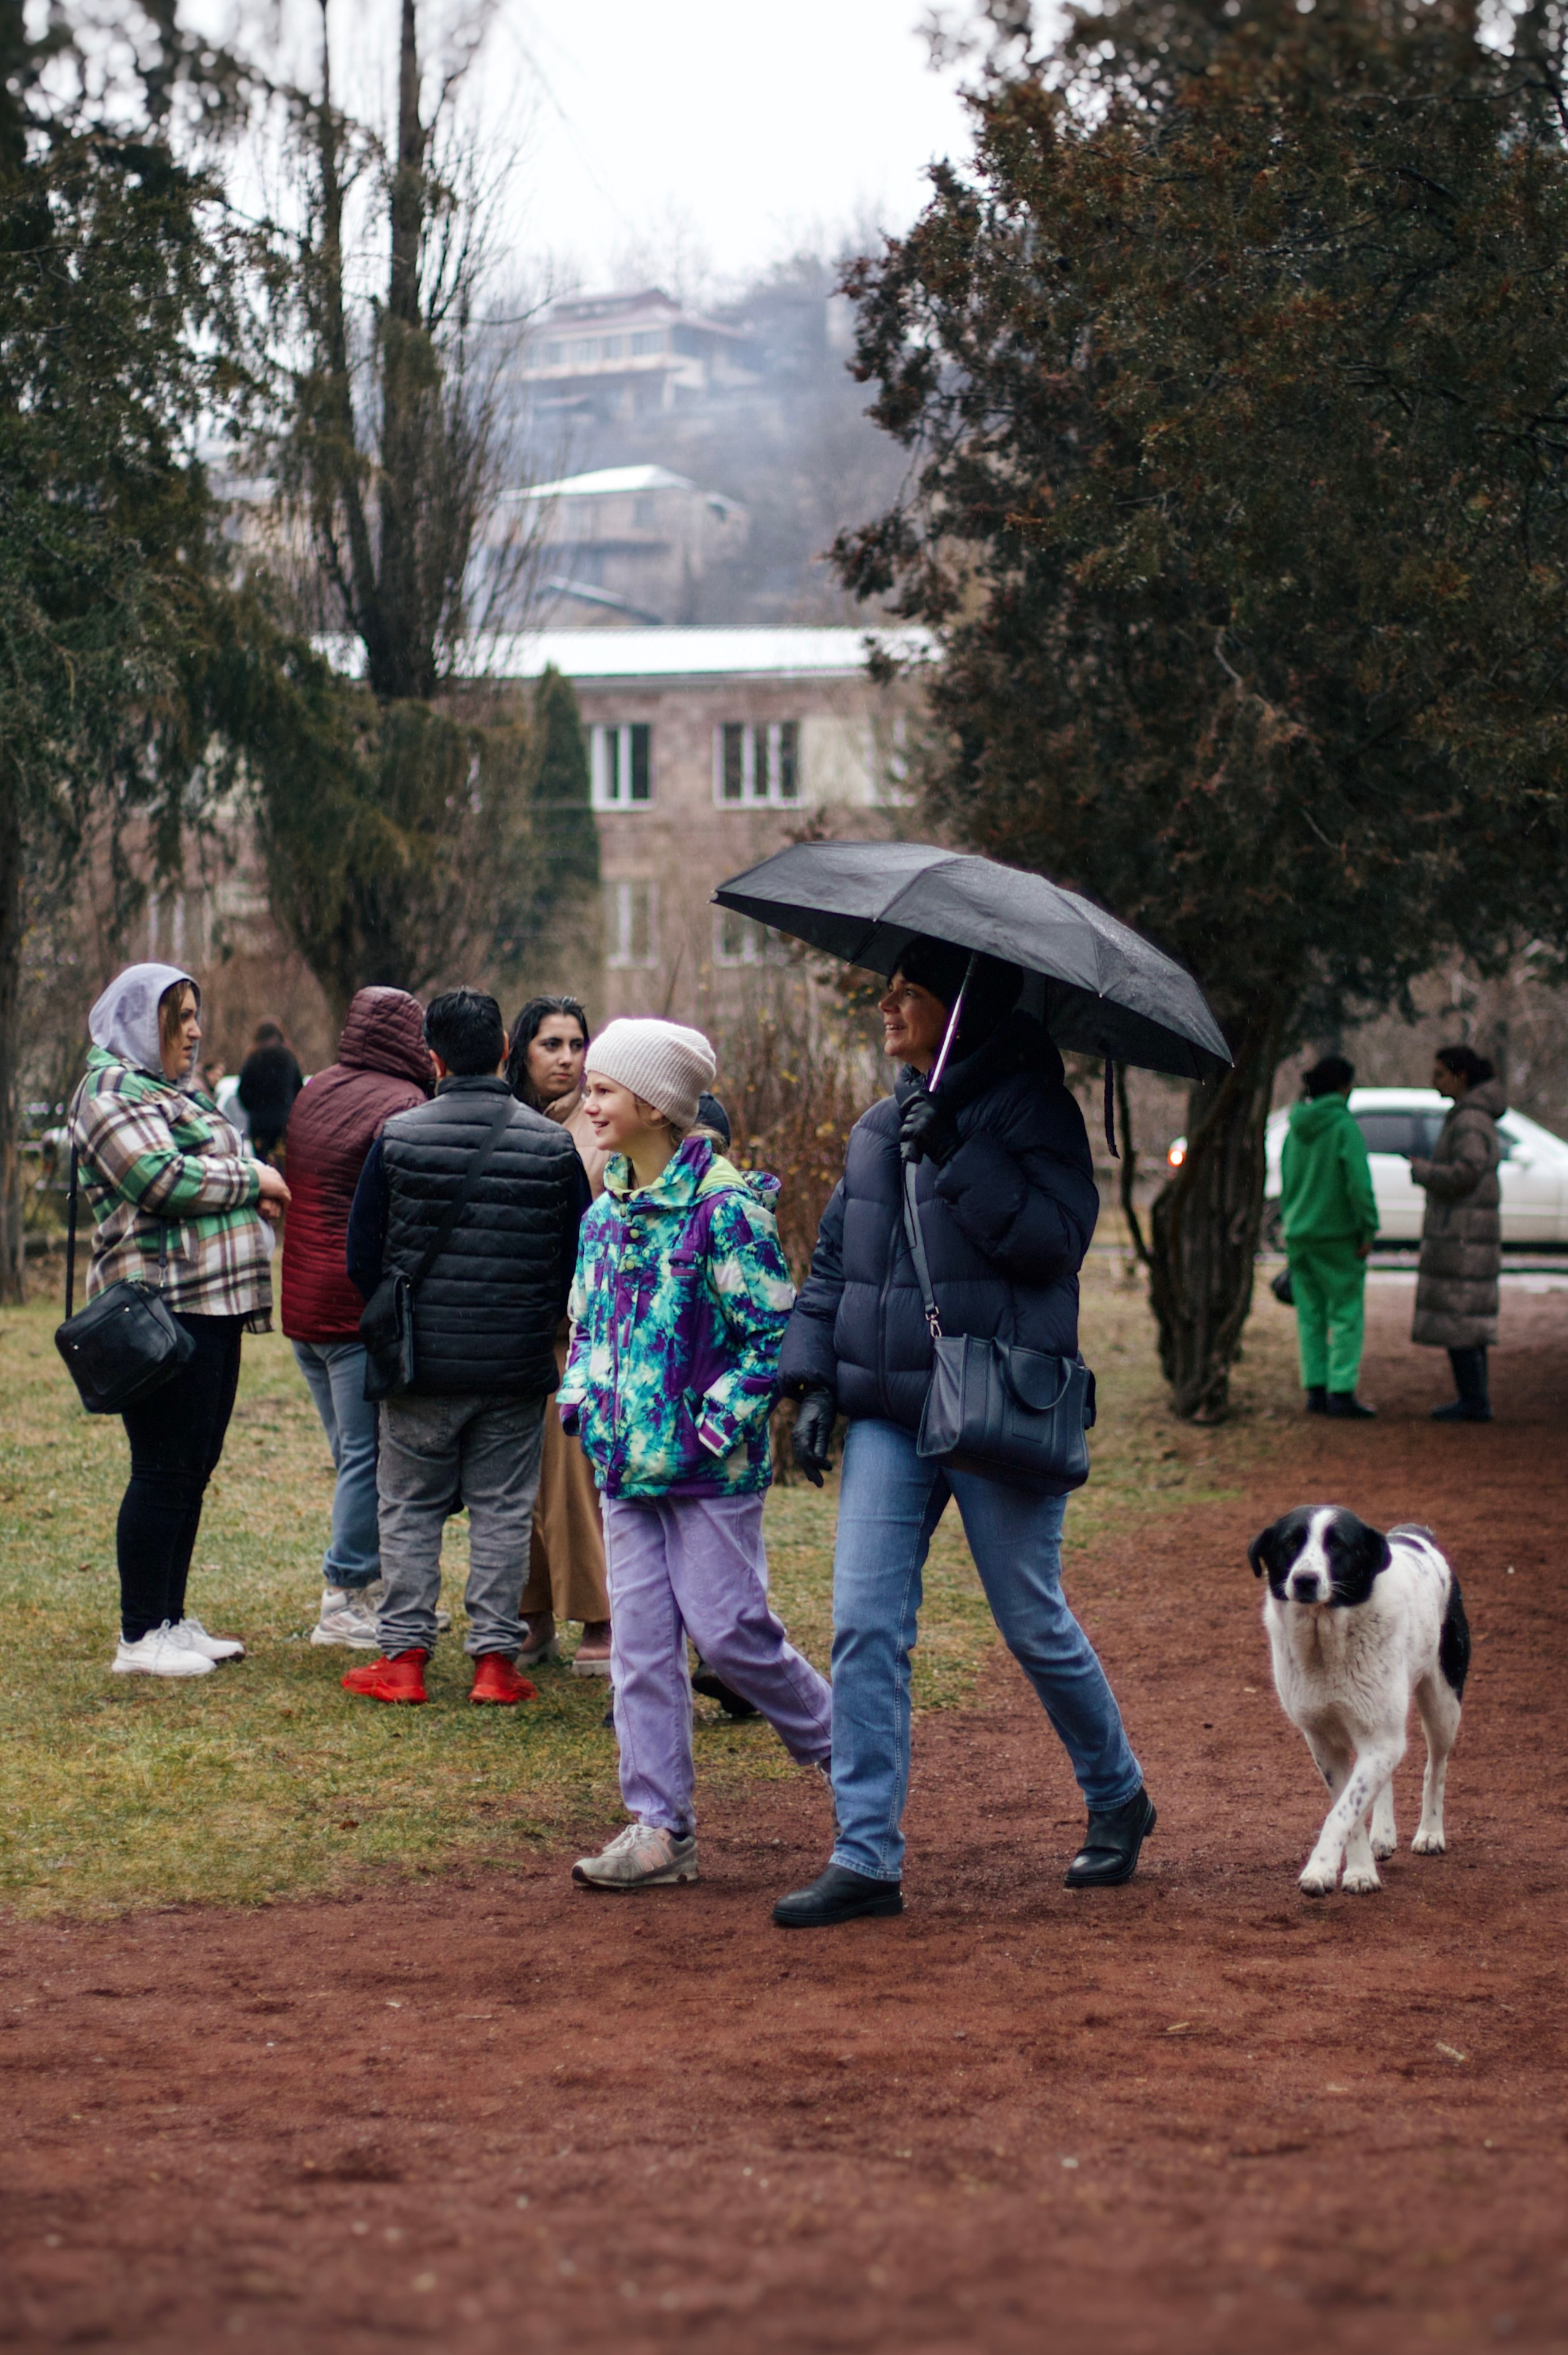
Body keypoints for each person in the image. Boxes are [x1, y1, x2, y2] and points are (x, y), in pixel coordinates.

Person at [774, 940, 1153, 1930]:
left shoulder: (1029, 1112)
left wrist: (960, 1156)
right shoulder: (879, 1124)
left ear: (964, 1008)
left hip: (994, 1400)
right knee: (863, 1627)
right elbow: (834, 1269)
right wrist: (810, 1381)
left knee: (1030, 1618)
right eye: (888, 988)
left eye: (910, 992)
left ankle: (1118, 1794)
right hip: (892, 1414)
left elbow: (1051, 1245)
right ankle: (865, 1855)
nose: (888, 1005)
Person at [559, 1019, 832, 1892]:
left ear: (655, 1104)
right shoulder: (604, 1212)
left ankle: (851, 1756)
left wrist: (709, 1428)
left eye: (602, 1088)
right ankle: (660, 1828)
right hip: (625, 1472)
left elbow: (771, 1340)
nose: (587, 1101)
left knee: (732, 1633)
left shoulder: (726, 1210)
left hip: (709, 1472)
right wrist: (584, 1403)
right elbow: (587, 1323)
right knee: (639, 1648)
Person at [342, 988, 587, 1705]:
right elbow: (576, 1255)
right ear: (507, 1052)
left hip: (419, 1362)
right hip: (514, 1362)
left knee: (409, 1505)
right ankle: (493, 1664)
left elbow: (362, 1254)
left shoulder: (398, 1136)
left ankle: (406, 1658)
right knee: (505, 1508)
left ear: (433, 1055)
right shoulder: (551, 1146)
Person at [70, 963, 290, 1677]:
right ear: (141, 1020)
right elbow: (158, 1178)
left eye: (196, 1014)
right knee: (163, 1467)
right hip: (163, 1306)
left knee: (193, 1468)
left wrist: (238, 1185)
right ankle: (139, 1636)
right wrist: (252, 1180)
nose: (195, 1029)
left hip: (214, 1300)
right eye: (180, 1015)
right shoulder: (108, 1091)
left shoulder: (168, 1091)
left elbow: (204, 1165)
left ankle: (169, 1617)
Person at [281, 986, 434, 1648]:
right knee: (368, 1459)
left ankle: (372, 1590)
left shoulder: (314, 1089)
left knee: (351, 1452)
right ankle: (343, 1597)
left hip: (303, 1307)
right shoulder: (403, 1104)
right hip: (353, 1312)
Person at [505, 995, 613, 1675]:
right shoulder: (508, 1119)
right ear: (522, 1051)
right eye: (552, 1043)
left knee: (573, 1480)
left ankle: (600, 1615)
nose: (568, 1058)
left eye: (577, 1044)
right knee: (515, 1483)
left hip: (576, 1331)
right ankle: (530, 1612)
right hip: (511, 1327)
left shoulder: (597, 1125)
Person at [1410, 1044, 1507, 1423]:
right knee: (1468, 1319)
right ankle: (1473, 1397)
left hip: (1462, 1236)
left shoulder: (1469, 1120)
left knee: (1461, 1319)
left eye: (1440, 1074)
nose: (1434, 1082)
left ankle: (1474, 1401)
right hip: (1467, 1234)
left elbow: (1467, 1171)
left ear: (1460, 1076)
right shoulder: (1472, 1117)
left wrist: (1426, 1173)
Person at [1278, 1054, 1379, 1419]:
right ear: (1343, 1087)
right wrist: (1368, 1228)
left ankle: (1316, 1391)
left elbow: (1287, 1183)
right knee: (1346, 1314)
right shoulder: (1343, 1127)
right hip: (1339, 1237)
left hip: (1299, 1235)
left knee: (1310, 1315)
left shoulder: (1295, 1127)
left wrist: (1291, 1224)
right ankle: (1342, 1391)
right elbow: (1359, 1185)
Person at [238, 1020, 304, 1162]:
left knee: (263, 1164)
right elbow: (299, 1091)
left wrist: (256, 1108)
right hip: (285, 1123)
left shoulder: (253, 1059)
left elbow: (243, 1093)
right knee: (283, 1164)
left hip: (260, 1124)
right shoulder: (289, 1058)